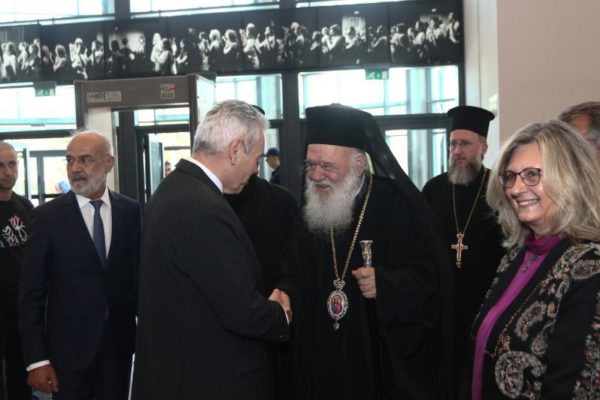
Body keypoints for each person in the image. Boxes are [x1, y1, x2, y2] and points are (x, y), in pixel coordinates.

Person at [277, 105, 452, 400]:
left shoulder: (398, 206)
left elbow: (431, 277)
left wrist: (386, 284)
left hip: (375, 362)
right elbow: (294, 268)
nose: (316, 175)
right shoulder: (311, 209)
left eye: (328, 166)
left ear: (359, 164)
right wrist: (285, 289)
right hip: (320, 357)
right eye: (311, 165)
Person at [131, 100, 290, 400]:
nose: (255, 170)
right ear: (235, 150)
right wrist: (281, 314)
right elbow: (242, 311)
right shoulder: (206, 209)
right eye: (256, 159)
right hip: (208, 380)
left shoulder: (173, 189)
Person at [469, 120, 600, 399]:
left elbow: (574, 386)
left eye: (531, 174)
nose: (516, 189)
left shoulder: (589, 267)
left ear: (569, 178)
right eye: (510, 176)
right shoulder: (516, 256)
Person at [19, 132, 141, 400]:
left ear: (108, 163)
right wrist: (37, 360)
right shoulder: (46, 218)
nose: (75, 168)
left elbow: (137, 283)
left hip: (118, 351)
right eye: (70, 160)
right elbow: (30, 294)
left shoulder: (131, 212)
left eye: (85, 160)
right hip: (66, 356)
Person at [422, 105, 505, 398]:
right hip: (441, 307)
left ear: (483, 147)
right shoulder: (433, 190)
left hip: (486, 306)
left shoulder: (500, 190)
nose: (457, 151)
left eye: (465, 144)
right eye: (453, 144)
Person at [0, 142, 32, 400]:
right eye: (0, 166)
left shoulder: (25, 207)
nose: (8, 172)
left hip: (21, 309)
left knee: (21, 376)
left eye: (12, 164)